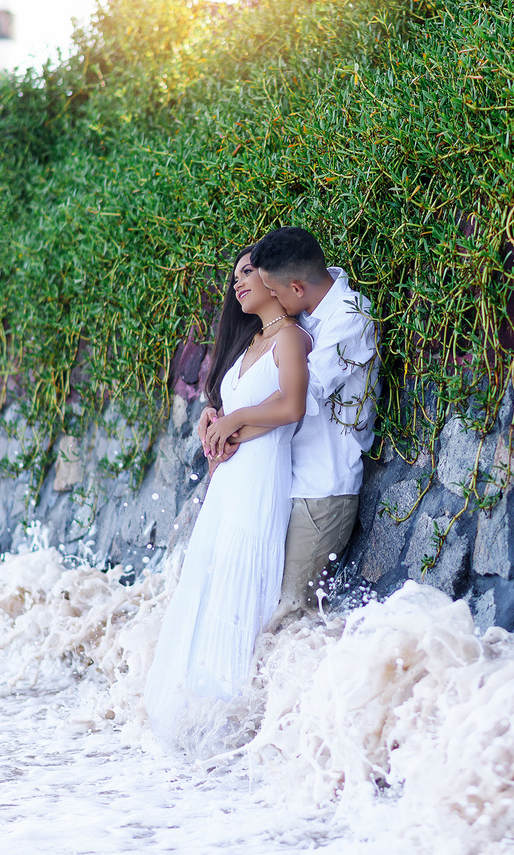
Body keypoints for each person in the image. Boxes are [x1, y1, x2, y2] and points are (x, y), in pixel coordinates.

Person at [145, 244, 313, 755]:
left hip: (263, 476)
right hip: (230, 480)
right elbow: (236, 404)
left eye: (248, 273)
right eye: (235, 276)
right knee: (213, 573)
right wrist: (214, 416)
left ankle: (234, 718)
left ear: (272, 280)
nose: (238, 282)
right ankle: (192, 713)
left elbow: (290, 406)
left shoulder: (291, 337)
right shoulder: (250, 345)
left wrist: (237, 421)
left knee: (243, 572)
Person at [197, 226, 379, 628]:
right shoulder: (310, 312)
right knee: (258, 605)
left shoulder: (350, 319)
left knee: (290, 615)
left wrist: (233, 426)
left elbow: (296, 399)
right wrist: (220, 418)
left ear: (295, 288)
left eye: (274, 293)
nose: (272, 303)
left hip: (322, 488)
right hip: (284, 481)